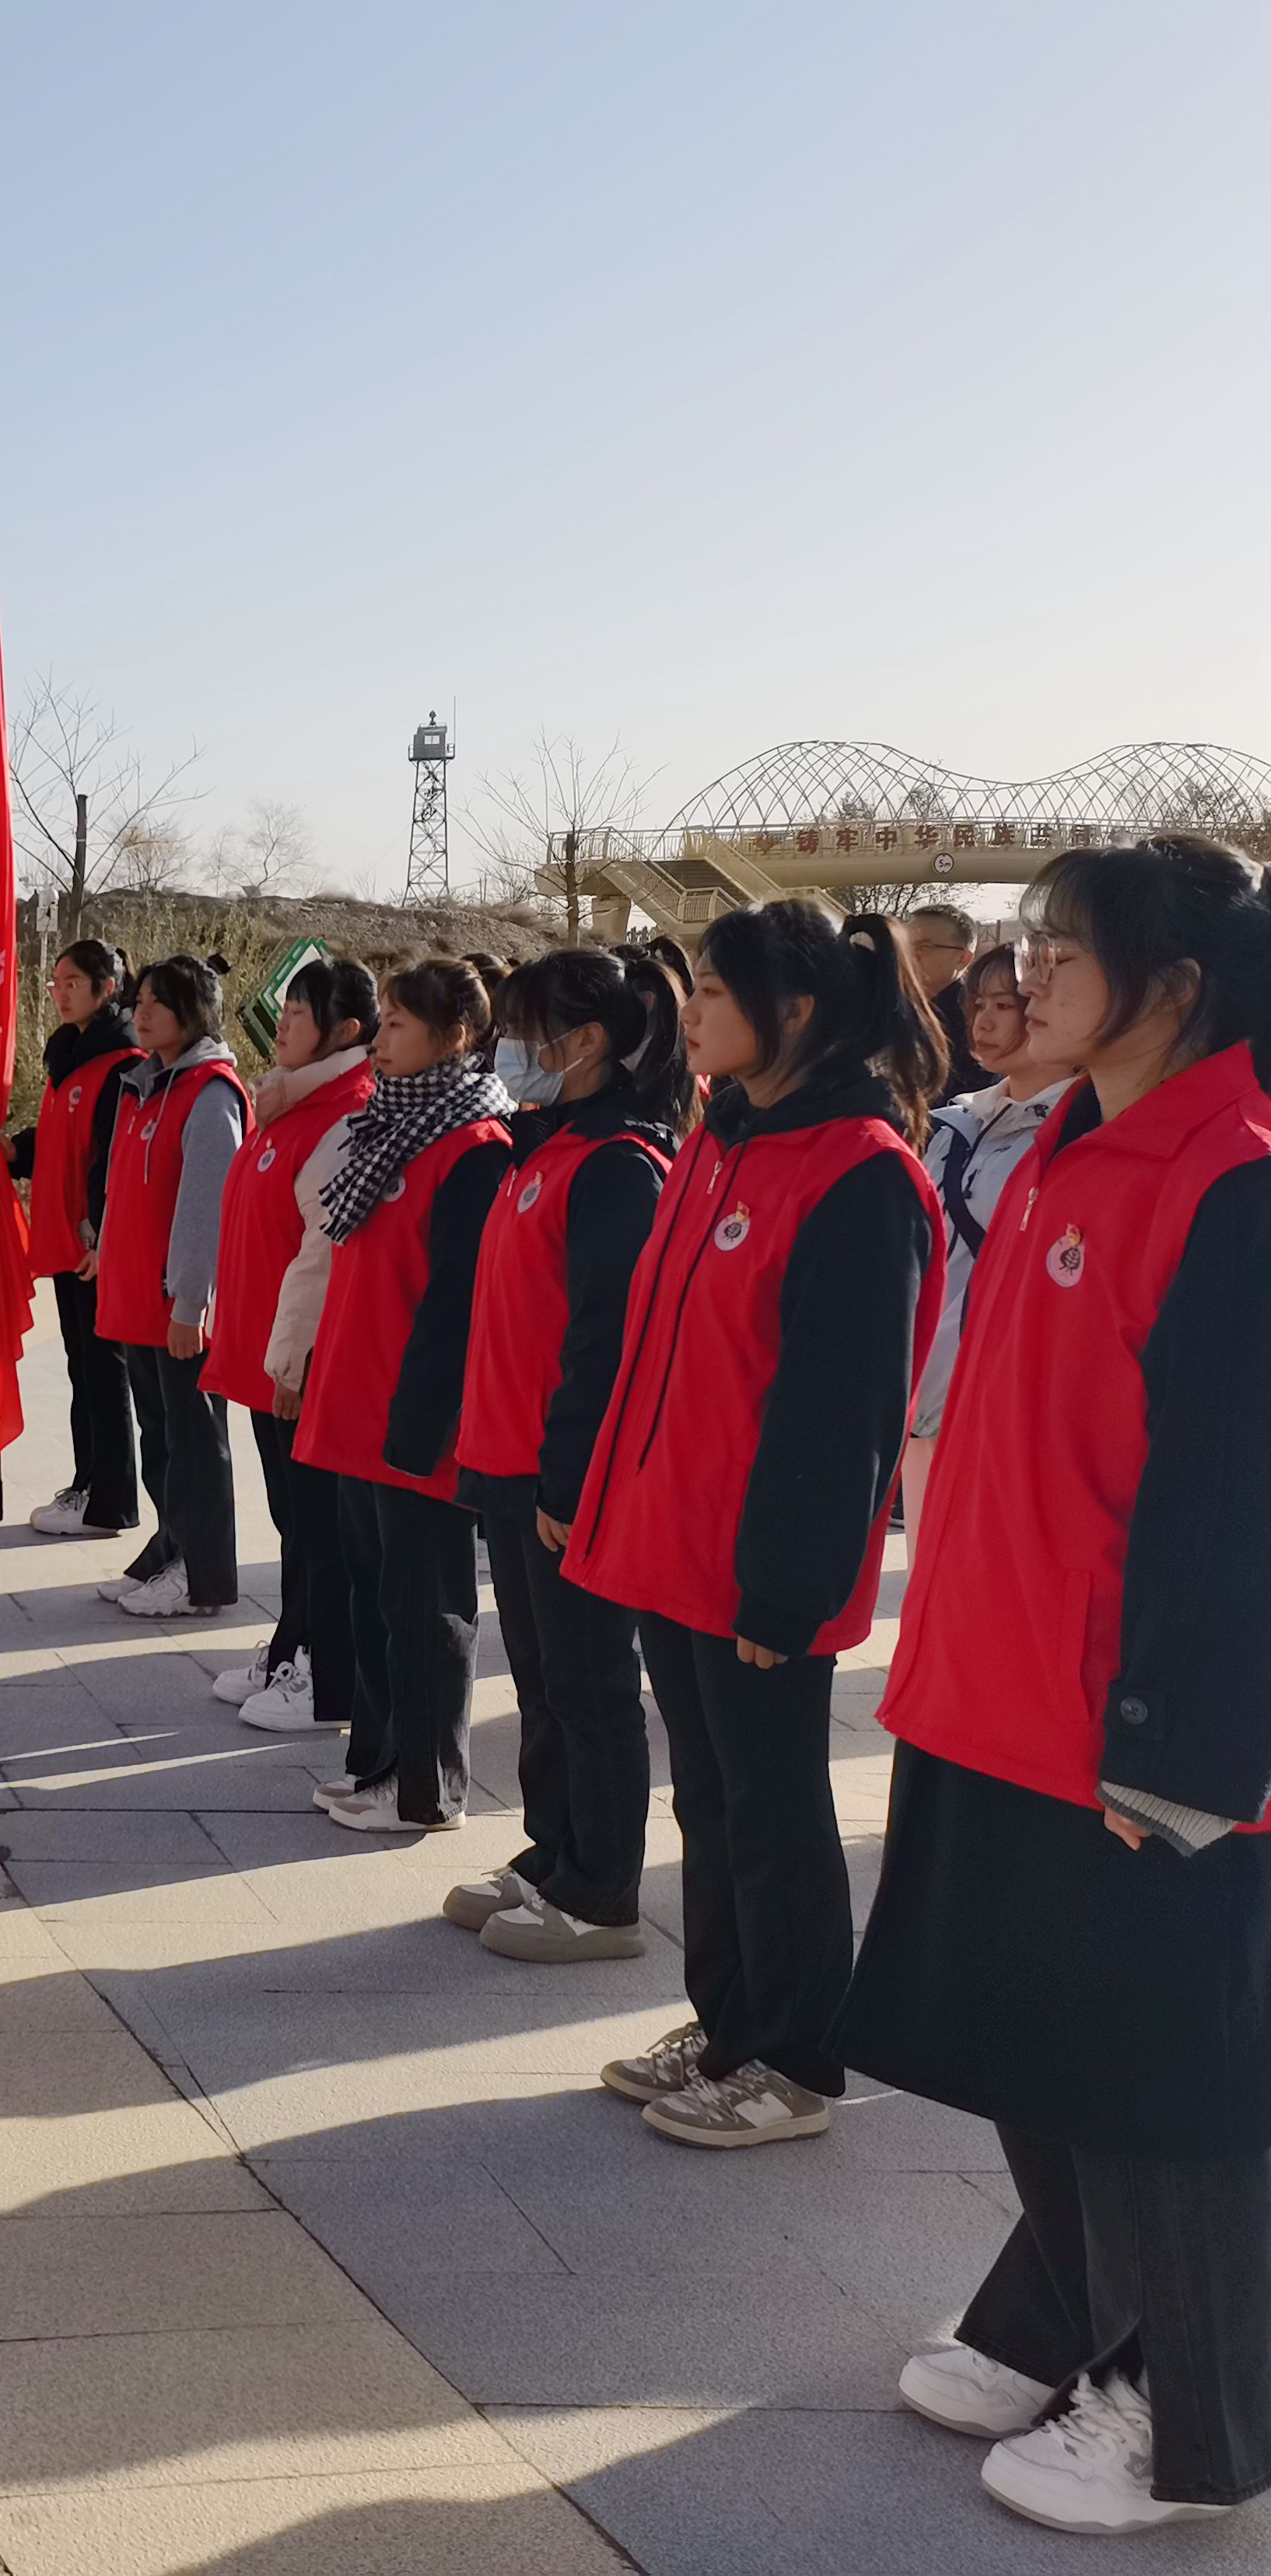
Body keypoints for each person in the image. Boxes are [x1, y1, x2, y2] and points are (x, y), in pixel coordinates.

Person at [844, 838, 1271, 2536]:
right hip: (993, 1677)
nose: (1024, 977)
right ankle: (1057, 2323)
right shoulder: (1060, 1139)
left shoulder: (1233, 1176)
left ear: (1177, 983)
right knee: (1026, 2035)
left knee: (1158, 2084)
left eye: (1064, 951)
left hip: (1125, 1719)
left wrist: (1182, 1743)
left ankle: (1185, 2420)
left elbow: (1230, 1504)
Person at [565, 900, 942, 2149]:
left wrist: (788, 1586)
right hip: (673, 1544)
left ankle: (795, 2056)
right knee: (715, 1804)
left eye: (718, 992)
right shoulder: (722, 1138)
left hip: (759, 1567)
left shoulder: (859, 1173)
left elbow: (845, 1408)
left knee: (774, 1813)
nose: (693, 1012)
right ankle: (727, 2021)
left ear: (799, 1011)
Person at [446, 946, 688, 1960]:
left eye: (523, 1031)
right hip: (508, 1460)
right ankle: (555, 1850)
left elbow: (605, 1341)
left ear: (586, 1041)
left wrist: (571, 1477)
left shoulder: (619, 1165)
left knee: (591, 1683)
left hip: (565, 1475)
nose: (505, 1049)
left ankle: (604, 1890)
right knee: (543, 1683)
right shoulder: (542, 1149)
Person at [296, 962, 512, 1834]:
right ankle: (379, 1761)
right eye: (380, 1021)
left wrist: (423, 1423)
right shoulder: (387, 1126)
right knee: (374, 1596)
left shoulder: (476, 1146)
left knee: (424, 1607)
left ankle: (426, 1787)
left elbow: (457, 1305)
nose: (380, 1039)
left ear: (453, 1036)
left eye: (396, 1024)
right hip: (356, 1404)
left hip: (414, 1420)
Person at [201, 954, 376, 1728]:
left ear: (345, 1030)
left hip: (298, 1359)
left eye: (300, 1014)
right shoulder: (288, 1103)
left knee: (317, 1524)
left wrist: (297, 1356)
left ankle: (323, 1673)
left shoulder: (344, 1112)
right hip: (263, 1349)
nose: (283, 1025)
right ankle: (291, 1648)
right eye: (287, 1010)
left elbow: (324, 1254)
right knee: (292, 1518)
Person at [93, 957, 249, 1617]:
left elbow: (208, 1208)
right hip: (138, 1302)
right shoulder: (143, 1086)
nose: (142, 1010)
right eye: (141, 999)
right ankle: (170, 1548)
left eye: (158, 1001)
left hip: (178, 1309)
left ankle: (202, 1575)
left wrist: (192, 1300)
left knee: (195, 1445)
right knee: (161, 1440)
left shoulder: (210, 1094)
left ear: (195, 1010)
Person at [902, 943, 1071, 1530]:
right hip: (923, 1397)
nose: (984, 1021)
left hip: (1006, 1405)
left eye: (1006, 1004)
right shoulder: (952, 1124)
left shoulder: (1078, 1135)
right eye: (978, 1004)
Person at [15, 942, 146, 1540]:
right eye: (56, 982)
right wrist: (15, 1151)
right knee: (83, 1369)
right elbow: (60, 1138)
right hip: (68, 1244)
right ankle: (88, 1483)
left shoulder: (121, 1064)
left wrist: (105, 1235)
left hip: (95, 1247)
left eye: (72, 982)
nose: (60, 992)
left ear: (107, 988)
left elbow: (115, 1161)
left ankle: (107, 1499)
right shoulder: (69, 1056)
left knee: (103, 1373)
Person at [909, 901, 989, 1101]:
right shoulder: (889, 1007)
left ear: (963, 958)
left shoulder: (977, 1019)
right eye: (903, 946)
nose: (910, 955)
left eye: (924, 947)